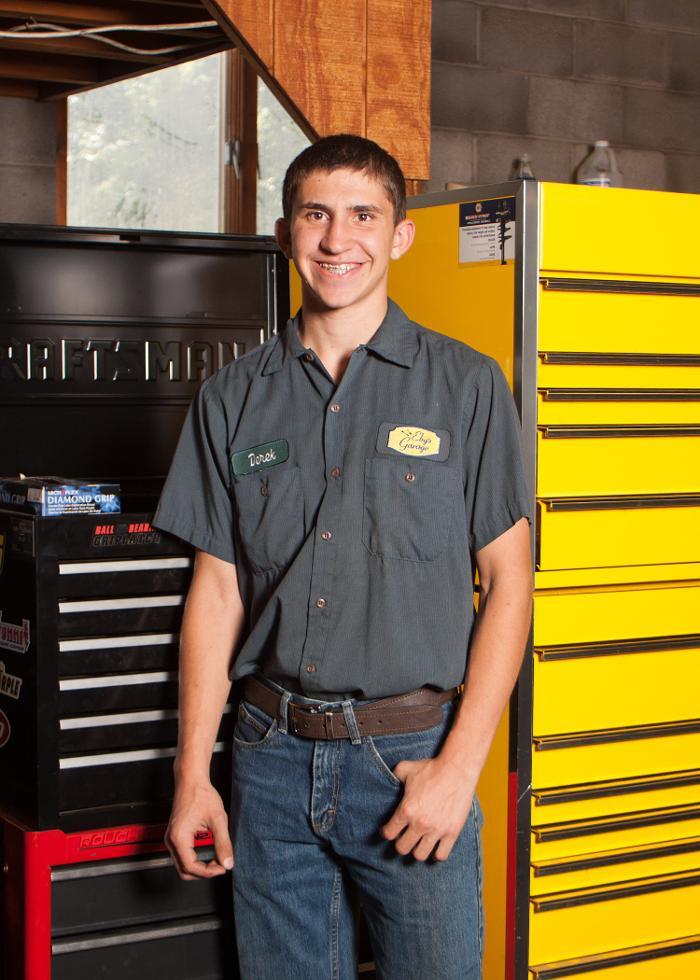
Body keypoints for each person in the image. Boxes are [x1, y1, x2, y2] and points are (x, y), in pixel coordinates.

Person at [153, 133, 533, 980]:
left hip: (407, 761)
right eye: (316, 215)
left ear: (400, 235)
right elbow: (217, 591)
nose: (337, 239)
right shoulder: (230, 398)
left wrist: (458, 769)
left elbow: (510, 582)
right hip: (267, 761)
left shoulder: (466, 386)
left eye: (363, 215)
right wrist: (192, 775)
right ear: (285, 232)